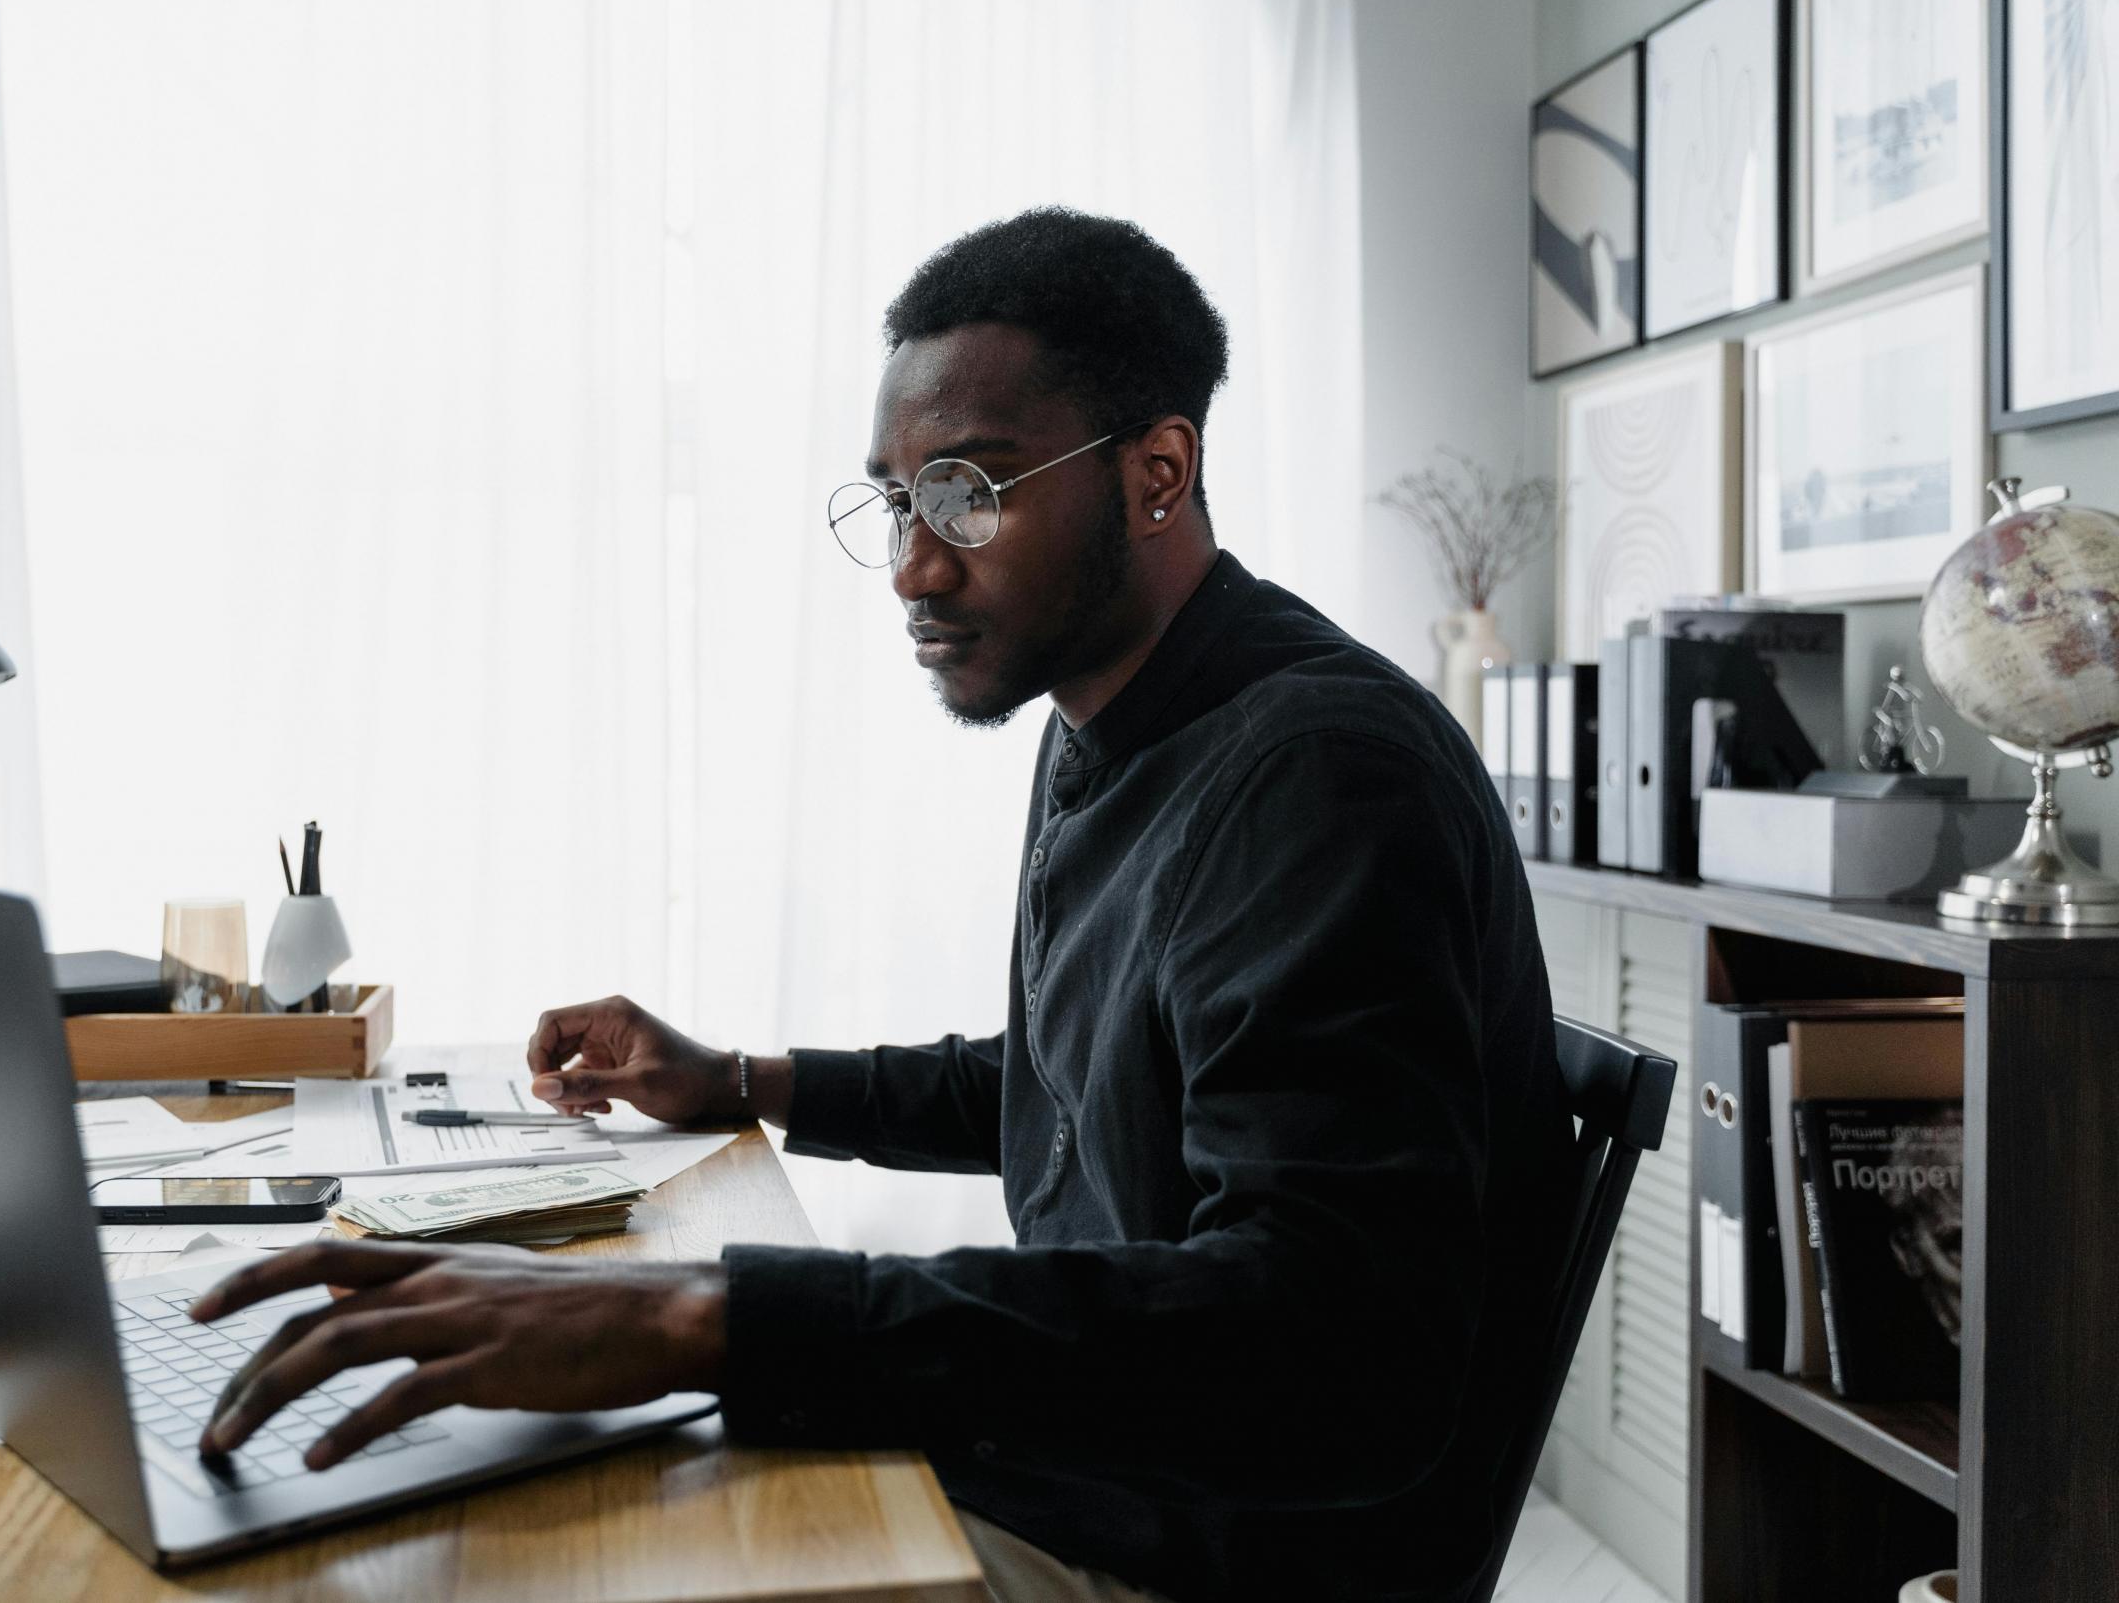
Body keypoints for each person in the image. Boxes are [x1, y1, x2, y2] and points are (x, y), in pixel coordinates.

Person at [191, 208, 1570, 1603]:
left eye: (972, 491)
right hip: (1100, 1470)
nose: (914, 564)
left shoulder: (1315, 776)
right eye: (899, 499)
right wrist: (735, 1079)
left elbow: (1330, 1349)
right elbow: (1074, 1086)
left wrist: (701, 1316)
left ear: (1158, 473)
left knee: (514, 1557)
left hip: (1205, 1549)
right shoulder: (1116, 720)